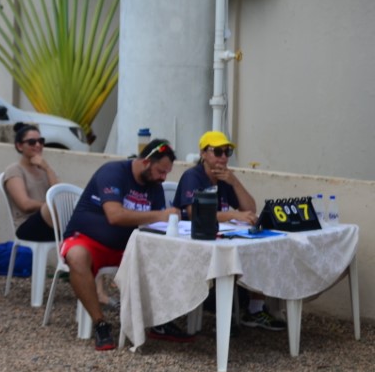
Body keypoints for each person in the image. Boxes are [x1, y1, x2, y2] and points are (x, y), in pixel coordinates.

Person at [60, 139, 179, 351]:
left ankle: (159, 321)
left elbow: (158, 225)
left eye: (166, 173)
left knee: (167, 256)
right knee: (76, 257)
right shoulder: (113, 172)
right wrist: (160, 215)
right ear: (146, 162)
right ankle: (100, 323)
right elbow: (114, 216)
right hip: (88, 239)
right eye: (161, 171)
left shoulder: (155, 187)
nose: (163, 177)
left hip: (128, 244)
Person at [174, 131, 285, 331]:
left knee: (263, 250)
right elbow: (194, 213)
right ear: (203, 154)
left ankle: (254, 310)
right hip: (197, 242)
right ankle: (224, 318)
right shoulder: (193, 177)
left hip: (224, 238)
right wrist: (233, 215)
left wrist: (234, 182)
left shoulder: (225, 179)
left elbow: (250, 208)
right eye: (218, 152)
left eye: (227, 152)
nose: (223, 157)